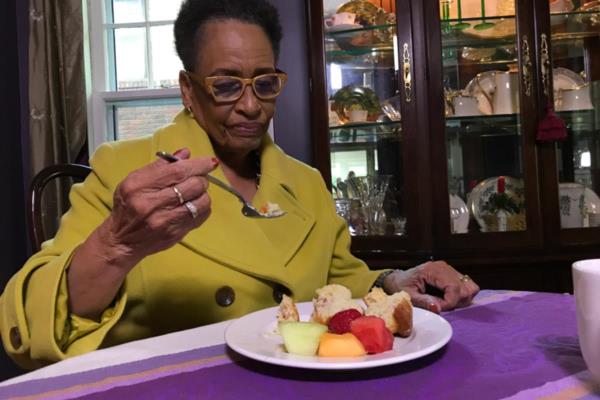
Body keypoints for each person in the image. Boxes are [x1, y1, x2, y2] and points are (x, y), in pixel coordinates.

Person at [0, 0, 478, 369]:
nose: (251, 107)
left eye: (265, 83)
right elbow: (30, 328)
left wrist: (394, 283)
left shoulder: (305, 183)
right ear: (189, 90)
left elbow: (338, 285)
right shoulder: (124, 170)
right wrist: (115, 246)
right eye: (227, 85)